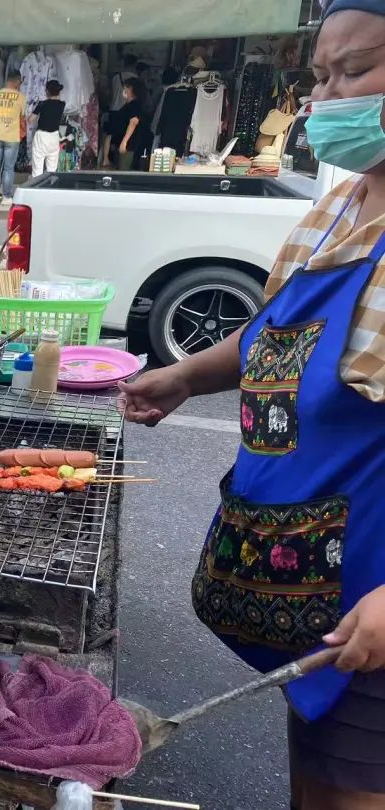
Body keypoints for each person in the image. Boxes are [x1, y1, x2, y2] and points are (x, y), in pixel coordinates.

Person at [120, 2, 385, 806]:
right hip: (307, 585)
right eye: (321, 76)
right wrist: (185, 376)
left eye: (358, 70)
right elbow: (280, 335)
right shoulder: (343, 205)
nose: (329, 97)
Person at [0, 70, 25, 204]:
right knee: (8, 168)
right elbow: (22, 117)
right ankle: (6, 196)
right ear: (17, 81)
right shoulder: (20, 97)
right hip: (12, 137)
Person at [103, 77, 148, 170]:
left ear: (131, 89)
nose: (124, 90)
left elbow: (133, 122)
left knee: (124, 170)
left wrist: (124, 142)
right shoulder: (128, 105)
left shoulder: (135, 105)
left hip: (129, 147)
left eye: (125, 87)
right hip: (121, 147)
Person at [29, 79, 65, 178]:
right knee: (52, 169)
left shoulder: (42, 104)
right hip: (54, 136)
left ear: (47, 92)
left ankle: (36, 189)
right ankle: (50, 188)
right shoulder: (62, 105)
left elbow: (31, 119)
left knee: (37, 169)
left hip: (41, 136)